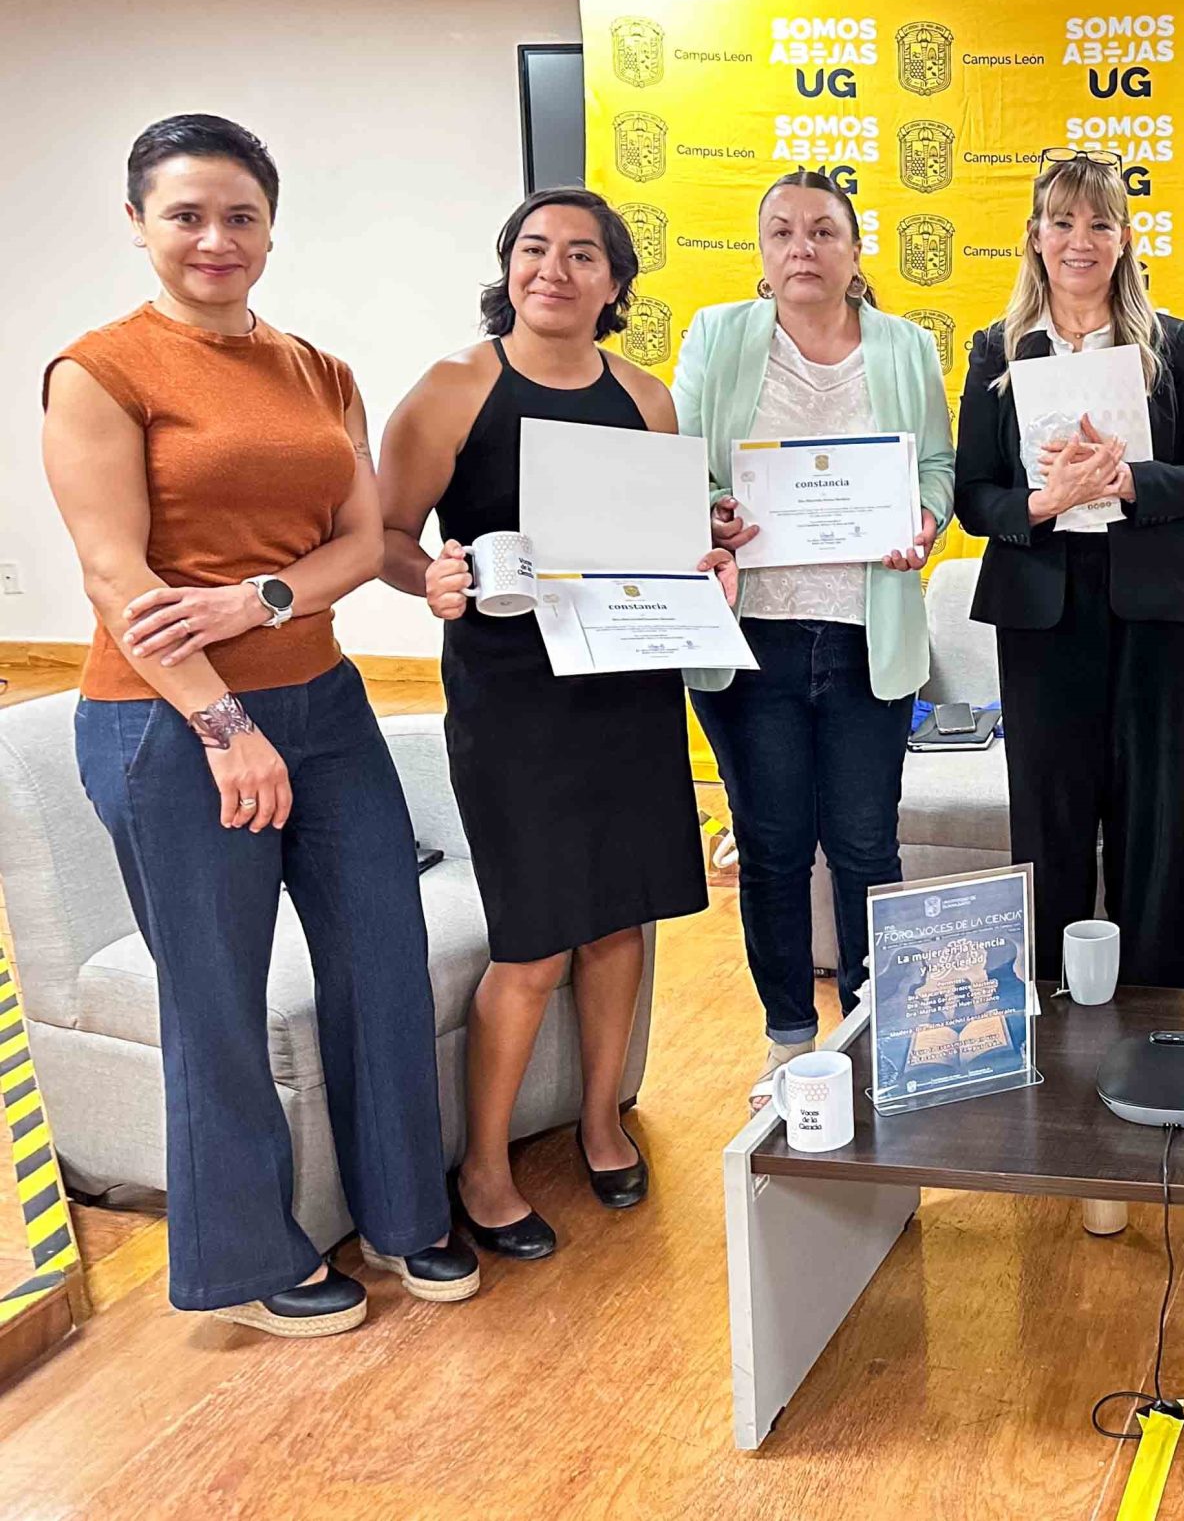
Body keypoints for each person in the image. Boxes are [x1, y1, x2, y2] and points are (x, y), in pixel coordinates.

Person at [42, 114, 475, 1336]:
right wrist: (224, 722)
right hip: (169, 723)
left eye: (239, 215)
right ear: (139, 224)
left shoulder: (316, 370)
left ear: (272, 228)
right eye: (185, 214)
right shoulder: (100, 372)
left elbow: (354, 533)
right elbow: (116, 573)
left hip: (327, 704)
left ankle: (404, 1213)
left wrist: (268, 596)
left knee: (382, 954)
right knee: (217, 994)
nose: (214, 238)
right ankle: (244, 1255)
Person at [379, 188, 727, 1261]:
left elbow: (663, 549)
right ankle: (483, 1165)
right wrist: (427, 576)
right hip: (511, 698)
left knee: (621, 918)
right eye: (535, 249)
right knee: (531, 942)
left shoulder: (648, 398)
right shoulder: (451, 390)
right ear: (508, 266)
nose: (555, 270)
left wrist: (703, 559)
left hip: (624, 689)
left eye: (583, 255)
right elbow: (389, 534)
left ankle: (599, 1117)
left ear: (615, 283)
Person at [681, 171, 954, 1077]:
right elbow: (684, 463)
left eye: (824, 232)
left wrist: (924, 519)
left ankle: (880, 1035)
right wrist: (710, 509)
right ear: (762, 251)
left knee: (868, 843)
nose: (804, 248)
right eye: (784, 232)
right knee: (771, 846)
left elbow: (940, 468)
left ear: (855, 250)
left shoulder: (908, 346)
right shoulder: (719, 336)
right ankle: (791, 1041)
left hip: (864, 634)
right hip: (752, 633)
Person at [952, 148, 1184, 988]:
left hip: (1151, 605)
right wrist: (1044, 501)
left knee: (1155, 809)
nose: (1081, 239)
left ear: (1125, 239)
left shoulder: (1172, 345)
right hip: (1041, 603)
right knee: (1047, 810)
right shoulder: (996, 350)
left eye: (1101, 222)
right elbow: (975, 496)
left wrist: (1126, 481)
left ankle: (1159, 998)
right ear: (1035, 237)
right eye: (1064, 221)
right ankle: (1049, 991)